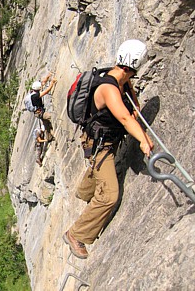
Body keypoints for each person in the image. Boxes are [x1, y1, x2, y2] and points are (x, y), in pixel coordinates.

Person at [63, 39, 154, 259]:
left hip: (106, 141)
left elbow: (133, 109)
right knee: (110, 196)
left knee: (102, 167)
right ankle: (77, 234)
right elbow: (123, 117)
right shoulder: (109, 88)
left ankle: (85, 191)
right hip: (99, 145)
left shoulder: (120, 80)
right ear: (135, 64)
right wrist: (142, 139)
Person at [30, 73, 57, 141]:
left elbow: (42, 83)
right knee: (50, 117)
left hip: (39, 112)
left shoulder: (33, 92)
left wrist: (47, 77)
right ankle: (54, 132)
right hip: (40, 113)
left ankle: (49, 138)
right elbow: (46, 91)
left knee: (46, 124)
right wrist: (52, 83)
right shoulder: (35, 96)